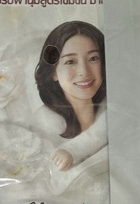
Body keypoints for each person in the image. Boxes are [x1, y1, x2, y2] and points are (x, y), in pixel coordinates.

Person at [33, 20, 108, 171]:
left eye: (93, 58)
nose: (84, 72)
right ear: (53, 72)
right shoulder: (45, 122)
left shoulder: (112, 106)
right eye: (70, 61)